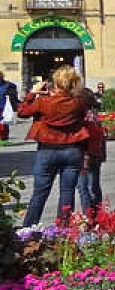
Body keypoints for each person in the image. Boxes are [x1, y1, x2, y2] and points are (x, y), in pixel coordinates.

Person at [18, 66, 89, 227]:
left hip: (48, 149)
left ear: (56, 83)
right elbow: (83, 117)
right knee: (67, 192)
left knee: (40, 193)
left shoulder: (43, 101)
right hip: (72, 149)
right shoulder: (78, 102)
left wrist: (33, 93)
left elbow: (22, 112)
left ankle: (28, 229)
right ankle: (63, 229)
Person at [78, 88, 107, 215]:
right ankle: (96, 214)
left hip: (86, 156)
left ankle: (89, 215)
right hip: (95, 155)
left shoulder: (85, 117)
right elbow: (102, 139)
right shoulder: (93, 115)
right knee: (92, 186)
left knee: (85, 188)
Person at [0, 70, 18, 141]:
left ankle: (4, 139)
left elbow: (13, 97)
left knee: (4, 124)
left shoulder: (9, 85)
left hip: (4, 108)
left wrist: (14, 106)